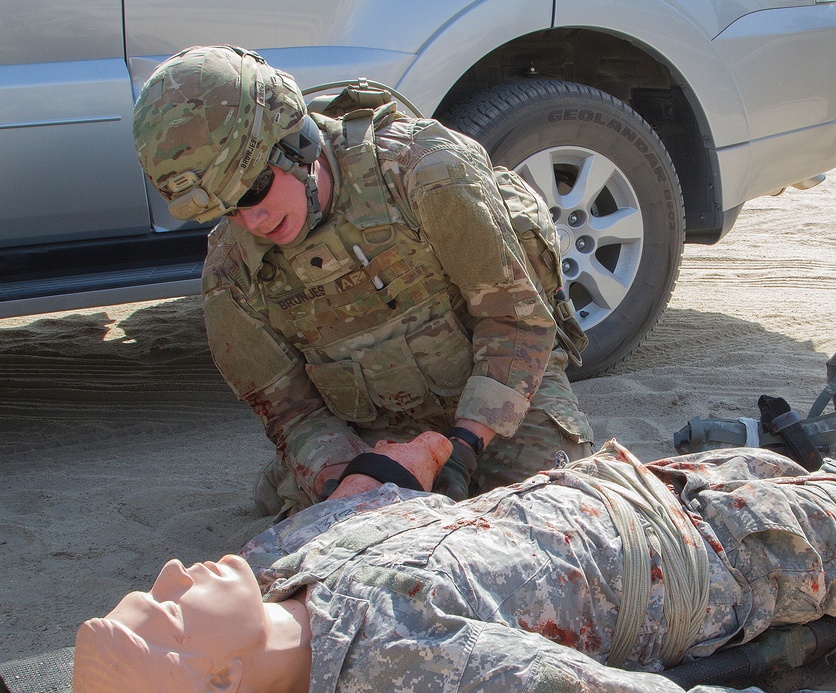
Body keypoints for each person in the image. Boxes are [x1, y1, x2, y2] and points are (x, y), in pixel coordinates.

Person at [74, 432, 836, 693]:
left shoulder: (272, 573)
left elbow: (379, 507)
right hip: (743, 555)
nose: (169, 572)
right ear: (221, 679)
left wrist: (410, 458)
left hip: (655, 483)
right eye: (168, 612)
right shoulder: (434, 680)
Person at [130, 45, 594, 515]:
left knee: (545, 506)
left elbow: (516, 322)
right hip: (371, 430)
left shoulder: (424, 174)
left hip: (497, 396)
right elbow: (293, 413)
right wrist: (349, 478)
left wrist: (462, 449)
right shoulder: (232, 274)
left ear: (295, 142)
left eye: (253, 189)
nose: (252, 219)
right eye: (229, 209)